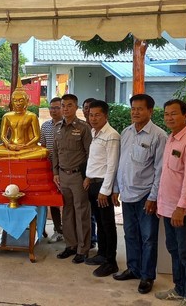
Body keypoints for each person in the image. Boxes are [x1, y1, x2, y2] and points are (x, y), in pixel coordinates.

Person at [113, 94, 167, 295]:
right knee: (130, 235)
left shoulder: (159, 136)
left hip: (146, 196)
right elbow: (121, 164)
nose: (135, 112)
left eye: (140, 109)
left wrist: (153, 197)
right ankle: (133, 268)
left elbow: (160, 170)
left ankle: (146, 276)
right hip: (127, 194)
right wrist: (116, 189)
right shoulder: (126, 132)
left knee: (148, 238)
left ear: (150, 111)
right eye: (133, 108)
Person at [155, 99, 186, 306]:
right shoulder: (171, 139)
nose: (169, 117)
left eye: (174, 113)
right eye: (166, 114)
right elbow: (168, 176)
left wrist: (180, 208)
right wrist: (162, 205)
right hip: (168, 208)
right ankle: (179, 288)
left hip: (183, 210)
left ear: (185, 115)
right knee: (174, 251)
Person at [83, 100, 121, 277]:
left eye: (97, 115)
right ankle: (102, 254)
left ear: (106, 115)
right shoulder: (94, 132)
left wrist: (105, 191)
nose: (93, 118)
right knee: (99, 221)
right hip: (93, 183)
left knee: (107, 224)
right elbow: (96, 160)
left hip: (102, 187)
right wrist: (88, 177)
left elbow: (112, 165)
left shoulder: (111, 135)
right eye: (91, 114)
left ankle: (110, 261)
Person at [53, 94, 92, 264]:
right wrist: (55, 173)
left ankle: (83, 249)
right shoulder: (58, 128)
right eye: (63, 105)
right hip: (63, 176)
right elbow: (55, 152)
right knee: (67, 211)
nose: (65, 108)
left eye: (69, 105)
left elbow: (90, 154)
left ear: (76, 108)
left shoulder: (83, 128)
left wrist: (88, 177)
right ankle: (71, 245)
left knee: (82, 212)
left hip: (78, 176)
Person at [0, 80, 48, 160]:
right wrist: (9, 145)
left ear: (27, 101)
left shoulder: (32, 116)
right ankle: (17, 155)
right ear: (12, 102)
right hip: (10, 147)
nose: (18, 103)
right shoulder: (7, 116)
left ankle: (16, 157)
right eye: (15, 101)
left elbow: (37, 137)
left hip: (27, 147)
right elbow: (3, 136)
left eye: (21, 100)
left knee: (44, 152)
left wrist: (26, 145)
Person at [40, 97, 64, 243]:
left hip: (64, 167)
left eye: (56, 107)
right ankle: (54, 228)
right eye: (51, 108)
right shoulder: (45, 126)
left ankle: (65, 230)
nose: (53, 110)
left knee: (64, 200)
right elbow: (42, 147)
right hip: (48, 167)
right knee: (50, 199)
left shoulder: (67, 125)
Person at [82, 97, 98, 249]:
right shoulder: (80, 127)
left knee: (95, 210)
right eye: (86, 108)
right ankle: (86, 237)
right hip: (82, 174)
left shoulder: (101, 130)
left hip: (97, 177)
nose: (89, 111)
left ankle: (92, 238)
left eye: (92, 109)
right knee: (85, 208)